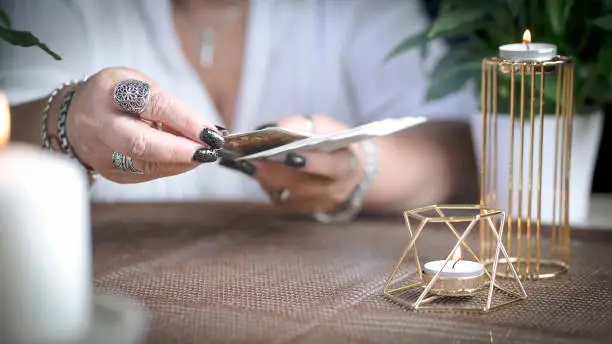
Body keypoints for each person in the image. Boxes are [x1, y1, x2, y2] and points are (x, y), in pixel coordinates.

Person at [0, 0, 478, 221]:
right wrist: (65, 119)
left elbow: (460, 152)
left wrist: (361, 167)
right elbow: (9, 132)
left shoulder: (361, 10)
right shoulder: (57, 10)